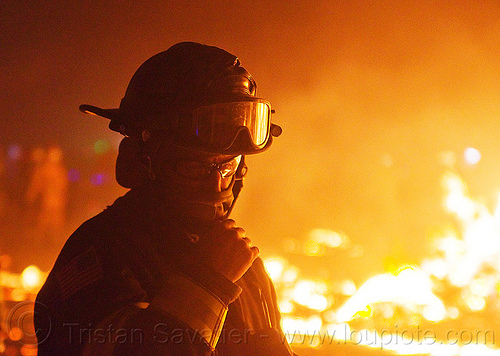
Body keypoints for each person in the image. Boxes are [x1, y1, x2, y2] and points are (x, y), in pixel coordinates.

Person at [35, 41, 292, 355]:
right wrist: (207, 284)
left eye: (227, 165)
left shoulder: (242, 264)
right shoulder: (98, 255)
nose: (215, 184)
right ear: (143, 161)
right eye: (193, 166)